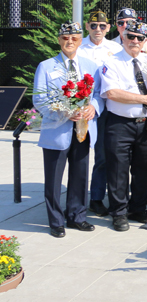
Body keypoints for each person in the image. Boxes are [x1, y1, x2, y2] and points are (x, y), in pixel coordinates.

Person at [33, 22, 104, 237]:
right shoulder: (46, 66)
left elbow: (100, 93)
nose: (69, 41)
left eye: (74, 38)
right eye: (65, 38)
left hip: (83, 129)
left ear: (81, 40)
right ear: (59, 40)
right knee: (54, 178)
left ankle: (77, 216)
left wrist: (94, 107)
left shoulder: (91, 66)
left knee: (80, 175)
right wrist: (64, 112)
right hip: (57, 130)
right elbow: (39, 99)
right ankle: (56, 221)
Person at [100, 20, 147, 231]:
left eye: (139, 38)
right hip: (120, 124)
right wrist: (146, 100)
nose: (134, 41)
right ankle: (118, 212)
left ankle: (139, 208)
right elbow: (112, 93)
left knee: (145, 169)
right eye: (130, 36)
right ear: (123, 38)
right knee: (118, 171)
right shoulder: (111, 62)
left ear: (145, 40)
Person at [78, 10, 122, 218]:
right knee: (79, 156)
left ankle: (96, 198)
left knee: (104, 156)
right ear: (87, 26)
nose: (98, 30)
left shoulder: (115, 48)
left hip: (108, 107)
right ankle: (76, 198)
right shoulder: (78, 47)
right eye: (93, 26)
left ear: (108, 28)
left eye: (102, 26)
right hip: (82, 109)